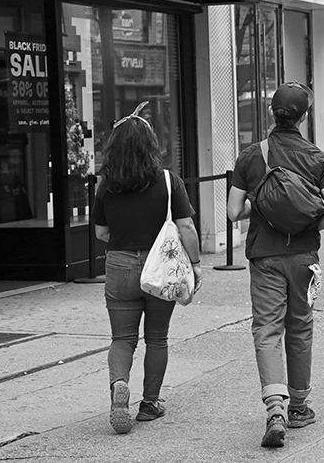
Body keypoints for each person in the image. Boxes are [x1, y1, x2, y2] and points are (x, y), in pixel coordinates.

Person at [227, 82, 324, 448]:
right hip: (304, 257)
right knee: (300, 328)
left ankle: (274, 407)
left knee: (266, 330)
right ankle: (300, 406)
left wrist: (260, 206)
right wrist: (309, 224)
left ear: (272, 114)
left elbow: (233, 212)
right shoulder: (319, 158)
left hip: (264, 256)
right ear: (304, 116)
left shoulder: (251, 156)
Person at [92, 105, 203, 435]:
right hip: (162, 267)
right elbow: (186, 227)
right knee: (157, 338)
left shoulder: (107, 184)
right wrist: (195, 265)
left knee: (122, 338)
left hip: (120, 266)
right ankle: (150, 403)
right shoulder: (169, 181)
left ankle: (119, 385)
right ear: (152, 144)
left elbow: (101, 232)